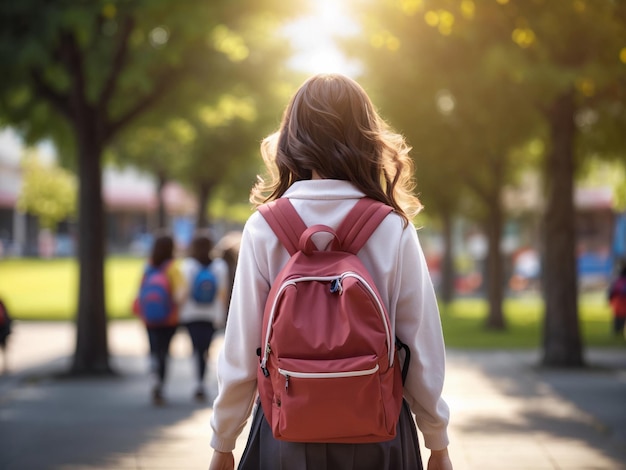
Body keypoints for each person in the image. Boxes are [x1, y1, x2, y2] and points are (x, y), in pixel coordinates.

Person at [209, 74, 453, 470]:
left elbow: (242, 347)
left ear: (292, 137)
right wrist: (436, 440)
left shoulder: (264, 226)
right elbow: (420, 344)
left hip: (284, 431)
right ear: (366, 137)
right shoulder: (392, 226)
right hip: (378, 431)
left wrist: (223, 440)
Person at [136, 231, 185, 406]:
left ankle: (153, 376)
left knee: (153, 349)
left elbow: (140, 292)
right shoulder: (173, 268)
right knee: (164, 351)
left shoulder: (148, 267)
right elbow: (180, 294)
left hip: (149, 317)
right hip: (169, 318)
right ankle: (161, 386)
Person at [179, 232, 229, 402]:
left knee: (195, 348)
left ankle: (197, 382)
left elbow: (184, 291)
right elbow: (222, 293)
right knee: (206, 349)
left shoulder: (188, 265)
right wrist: (222, 315)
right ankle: (201, 381)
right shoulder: (219, 266)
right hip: (211, 314)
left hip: (191, 313)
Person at [608, 261, 626, 337]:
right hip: (622, 301)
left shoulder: (617, 280)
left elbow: (611, 292)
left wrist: (610, 300)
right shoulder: (621, 281)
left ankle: (617, 331)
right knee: (621, 317)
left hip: (617, 302)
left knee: (618, 317)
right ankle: (619, 331)